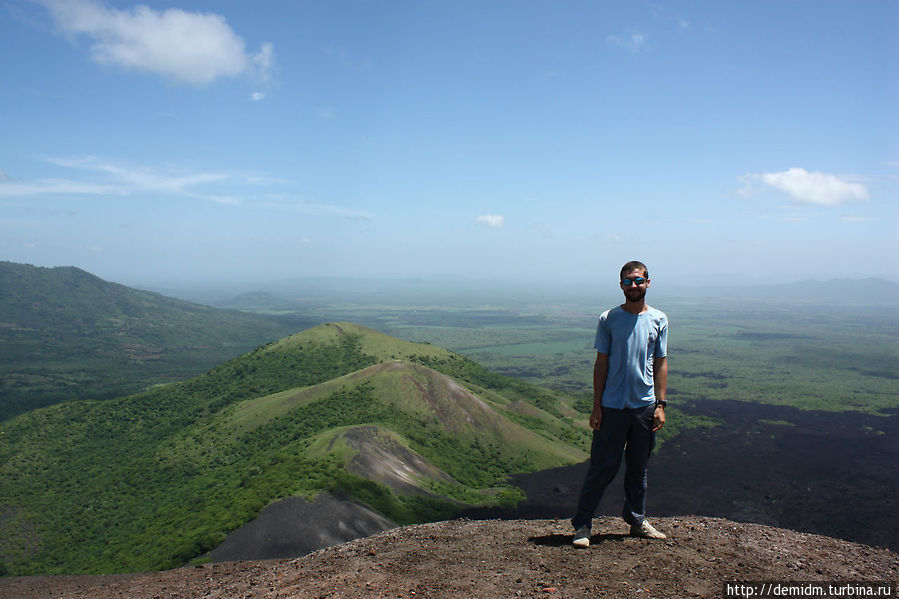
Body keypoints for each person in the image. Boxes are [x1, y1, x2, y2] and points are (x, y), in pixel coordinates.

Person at [571, 260, 669, 547]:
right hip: (612, 407)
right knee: (602, 467)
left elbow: (660, 362)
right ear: (621, 285)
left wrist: (660, 404)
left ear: (648, 282)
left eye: (638, 280)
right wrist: (597, 406)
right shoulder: (609, 319)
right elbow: (601, 364)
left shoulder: (659, 319)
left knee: (638, 469)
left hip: (644, 407)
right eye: (628, 281)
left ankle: (636, 521)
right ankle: (583, 525)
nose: (633, 285)